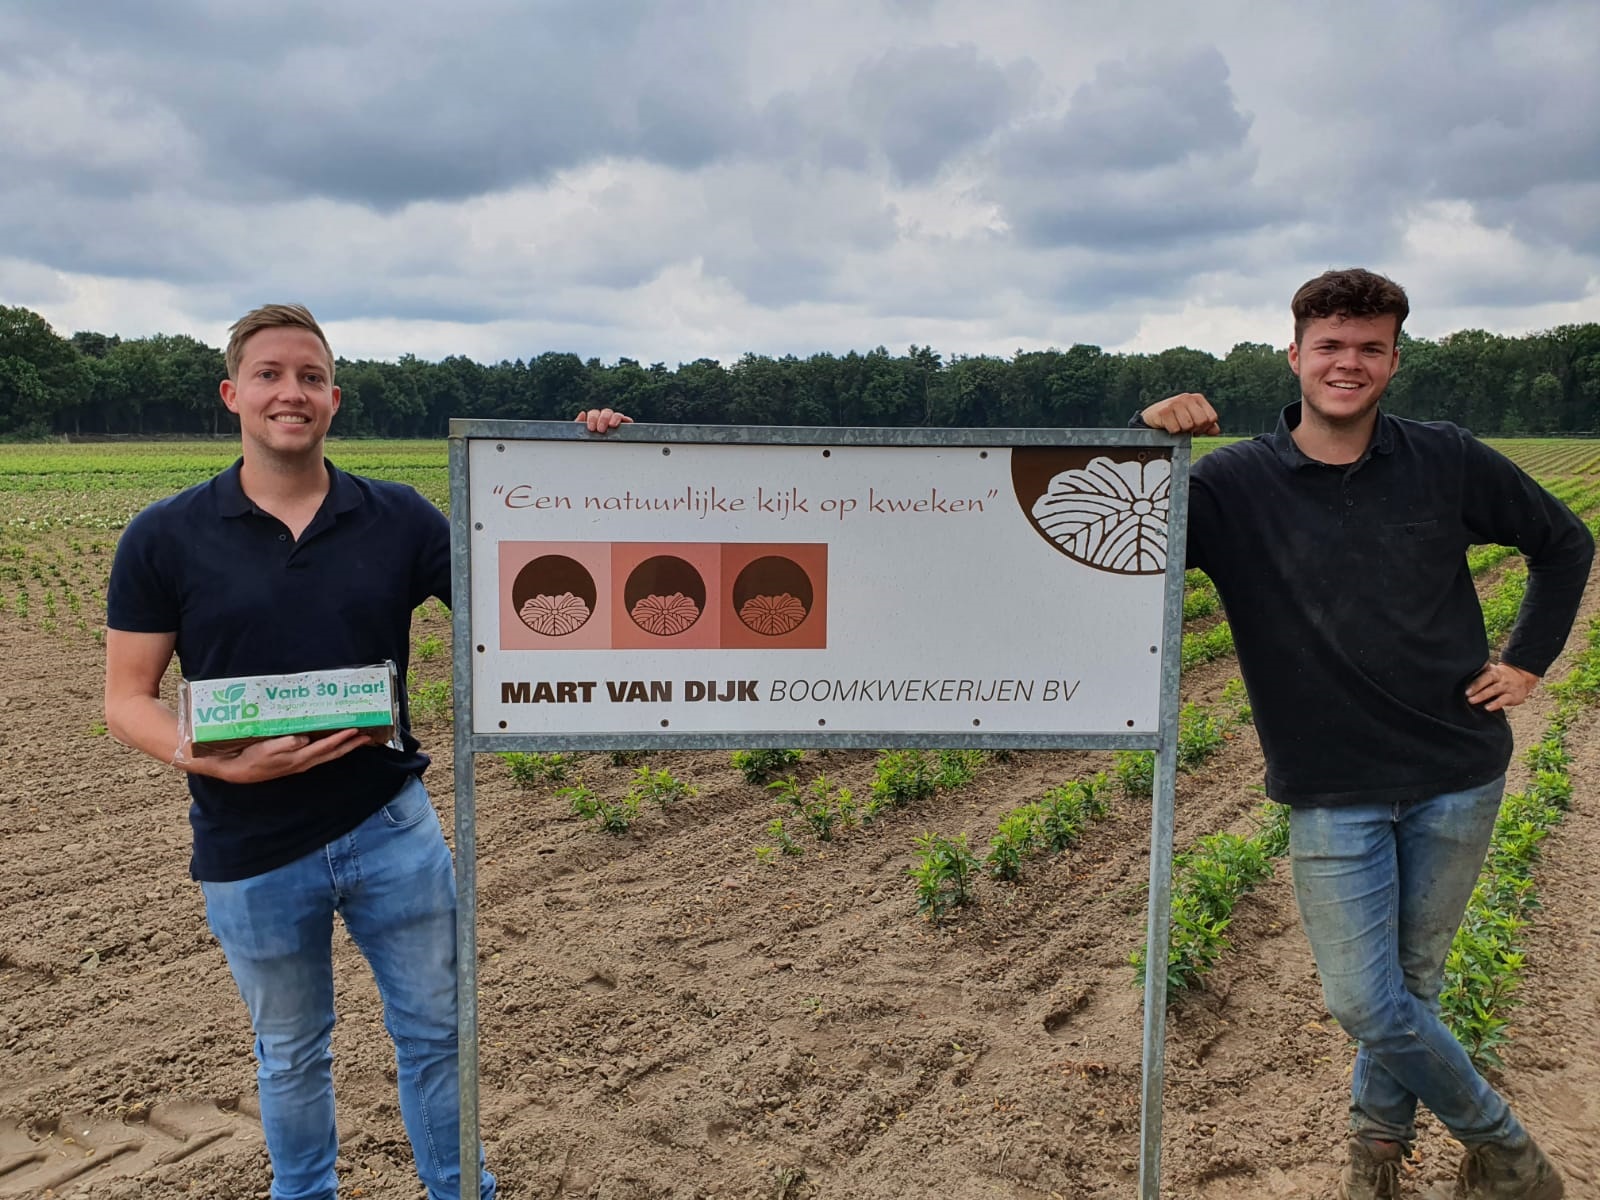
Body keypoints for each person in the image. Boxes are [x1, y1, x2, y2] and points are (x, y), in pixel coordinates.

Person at [103, 302, 630, 1200]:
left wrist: (580, 472)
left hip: (392, 830)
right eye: (269, 374)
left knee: (437, 1034)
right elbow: (127, 700)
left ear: (335, 400)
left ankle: (460, 1189)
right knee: (292, 1054)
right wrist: (214, 759)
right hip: (250, 846)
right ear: (233, 394)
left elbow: (525, 598)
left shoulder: (399, 519)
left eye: (309, 377)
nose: (290, 392)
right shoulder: (166, 535)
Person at [1140, 269, 1586, 1200]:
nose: (1350, 363)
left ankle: (1373, 1163)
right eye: (1331, 346)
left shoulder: (1445, 458)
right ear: (1295, 354)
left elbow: (1564, 541)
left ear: (1393, 359)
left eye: (1370, 347)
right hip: (1330, 786)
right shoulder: (1231, 487)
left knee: (1409, 991)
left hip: (1457, 770)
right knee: (1364, 1001)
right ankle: (1505, 1152)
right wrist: (1151, 450)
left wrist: (1531, 658)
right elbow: (1129, 550)